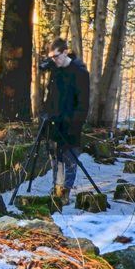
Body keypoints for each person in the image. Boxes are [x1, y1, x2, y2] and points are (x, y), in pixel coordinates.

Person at [40, 37, 89, 202]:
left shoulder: (80, 72)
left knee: (70, 158)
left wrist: (74, 124)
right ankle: (57, 189)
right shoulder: (56, 70)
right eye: (51, 58)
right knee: (56, 159)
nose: (54, 60)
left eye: (56, 56)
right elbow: (51, 96)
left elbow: (83, 104)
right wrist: (45, 114)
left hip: (71, 124)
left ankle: (65, 192)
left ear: (65, 52)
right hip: (55, 122)